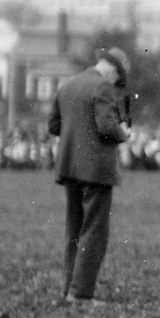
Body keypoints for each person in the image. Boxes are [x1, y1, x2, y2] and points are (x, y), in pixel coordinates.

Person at [48, 48, 132, 305]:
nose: (115, 85)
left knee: (73, 228)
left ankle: (68, 289)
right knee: (94, 230)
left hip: (69, 167)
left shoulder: (67, 85)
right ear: (114, 71)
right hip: (96, 170)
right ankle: (82, 293)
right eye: (118, 80)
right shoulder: (102, 87)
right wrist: (124, 133)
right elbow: (107, 127)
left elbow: (53, 126)